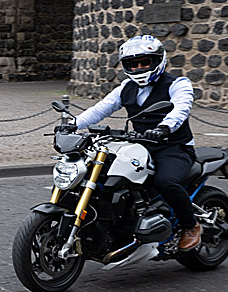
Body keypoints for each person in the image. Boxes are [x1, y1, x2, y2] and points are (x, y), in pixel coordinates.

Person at [62, 35, 203, 251]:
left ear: (158, 61)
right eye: (133, 64)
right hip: (140, 147)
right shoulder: (125, 88)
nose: (139, 67)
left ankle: (191, 225)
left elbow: (181, 109)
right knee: (104, 175)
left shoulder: (177, 83)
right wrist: (73, 124)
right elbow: (101, 108)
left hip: (173, 148)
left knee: (166, 182)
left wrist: (164, 128)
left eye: (145, 62)